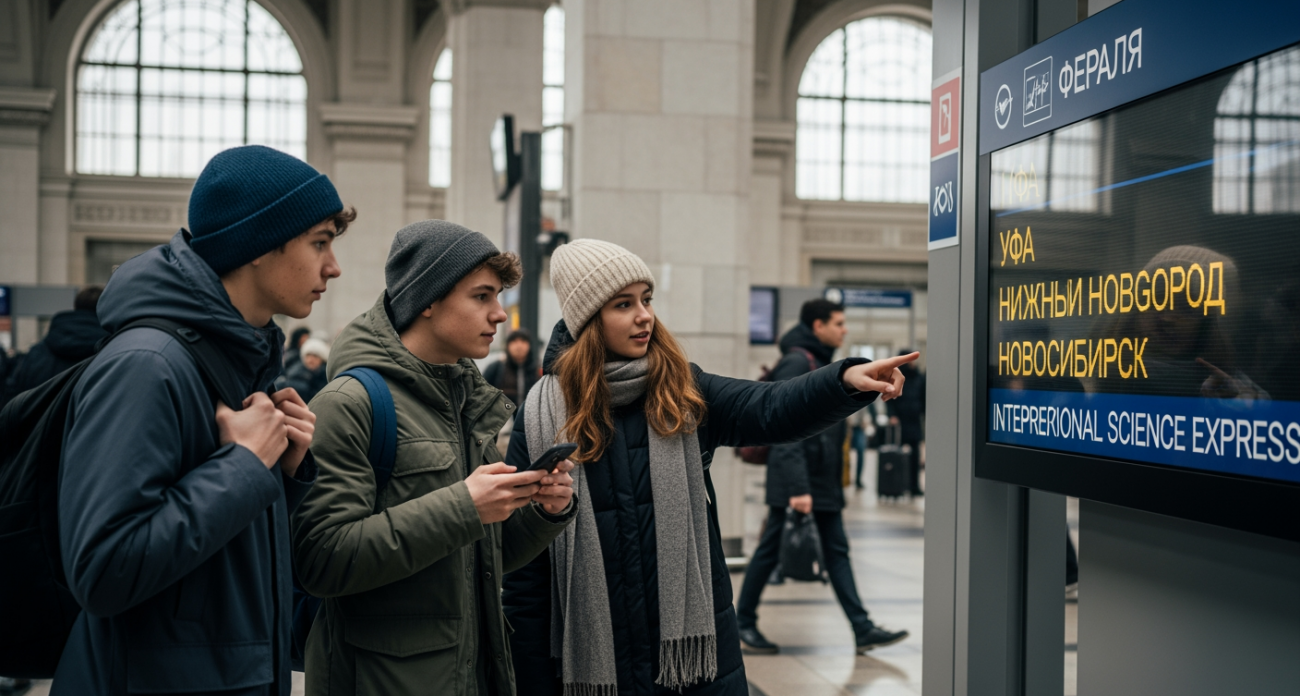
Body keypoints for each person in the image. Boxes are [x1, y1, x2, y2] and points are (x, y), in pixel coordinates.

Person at [501, 240, 916, 696]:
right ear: (588, 319)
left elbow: (768, 407)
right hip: (594, 669)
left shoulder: (681, 388)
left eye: (646, 299)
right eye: (624, 304)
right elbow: (527, 574)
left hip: (695, 665)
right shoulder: (540, 417)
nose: (645, 315)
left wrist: (843, 381)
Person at [54, 145, 350, 695]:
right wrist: (242, 465)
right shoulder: (146, 365)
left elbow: (218, 564)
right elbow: (102, 568)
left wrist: (281, 475)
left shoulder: (241, 362)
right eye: (320, 242)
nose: (333, 266)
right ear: (259, 244)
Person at [291, 220, 576, 696]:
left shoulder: (464, 400)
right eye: (482, 297)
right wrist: (465, 505)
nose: (500, 315)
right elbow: (322, 560)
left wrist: (545, 511)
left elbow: (483, 555)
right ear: (428, 299)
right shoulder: (350, 403)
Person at [736, 299, 911, 656]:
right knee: (770, 551)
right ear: (818, 326)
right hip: (799, 481)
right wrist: (798, 488)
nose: (844, 329)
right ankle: (742, 623)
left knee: (836, 551)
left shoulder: (817, 360)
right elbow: (782, 425)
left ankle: (861, 628)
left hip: (821, 479)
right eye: (838, 323)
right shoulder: (799, 361)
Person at [3, 286, 107, 404]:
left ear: (75, 306)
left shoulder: (37, 354)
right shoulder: (112, 352)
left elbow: (18, 396)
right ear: (105, 307)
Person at [886, 349, 926, 496]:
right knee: (898, 455)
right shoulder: (896, 376)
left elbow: (923, 397)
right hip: (900, 422)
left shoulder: (918, 377)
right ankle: (898, 485)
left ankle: (914, 486)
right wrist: (892, 415)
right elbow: (889, 398)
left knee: (915, 456)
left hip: (914, 421)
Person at [483, 328, 540, 409]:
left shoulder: (536, 370)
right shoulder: (496, 368)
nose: (519, 346)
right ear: (507, 345)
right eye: (514, 341)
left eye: (523, 341)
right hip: (503, 418)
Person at [280, 337, 330, 402]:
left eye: (315, 356)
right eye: (308, 355)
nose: (311, 359)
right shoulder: (294, 372)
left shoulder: (325, 378)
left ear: (322, 359)